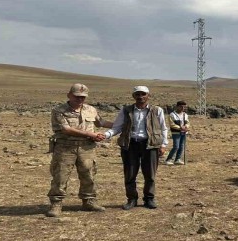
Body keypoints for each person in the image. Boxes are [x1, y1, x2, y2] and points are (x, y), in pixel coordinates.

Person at [46, 83, 112, 217]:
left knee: (88, 174)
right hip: (65, 148)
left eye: (83, 97)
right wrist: (91, 134)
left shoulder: (90, 109)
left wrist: (123, 124)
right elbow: (66, 129)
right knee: (60, 176)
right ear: (69, 95)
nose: (80, 99)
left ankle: (89, 201)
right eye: (77, 96)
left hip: (87, 148)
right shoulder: (59, 110)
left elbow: (101, 123)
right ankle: (56, 203)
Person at [103, 86, 168, 210]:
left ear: (148, 96)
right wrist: (106, 135)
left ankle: (149, 198)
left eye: (143, 94)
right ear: (134, 96)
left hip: (150, 145)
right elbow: (117, 127)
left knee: (150, 174)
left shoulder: (157, 110)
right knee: (130, 173)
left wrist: (163, 145)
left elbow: (163, 128)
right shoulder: (126, 110)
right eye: (137, 94)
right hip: (130, 144)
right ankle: (131, 199)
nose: (140, 97)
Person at [165, 101, 190, 165]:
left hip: (184, 132)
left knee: (181, 146)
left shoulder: (185, 115)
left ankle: (177, 159)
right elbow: (172, 124)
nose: (183, 108)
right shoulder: (172, 115)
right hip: (176, 133)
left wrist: (186, 126)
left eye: (184, 107)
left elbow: (187, 122)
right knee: (176, 146)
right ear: (177, 107)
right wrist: (179, 128)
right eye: (181, 106)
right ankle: (169, 159)